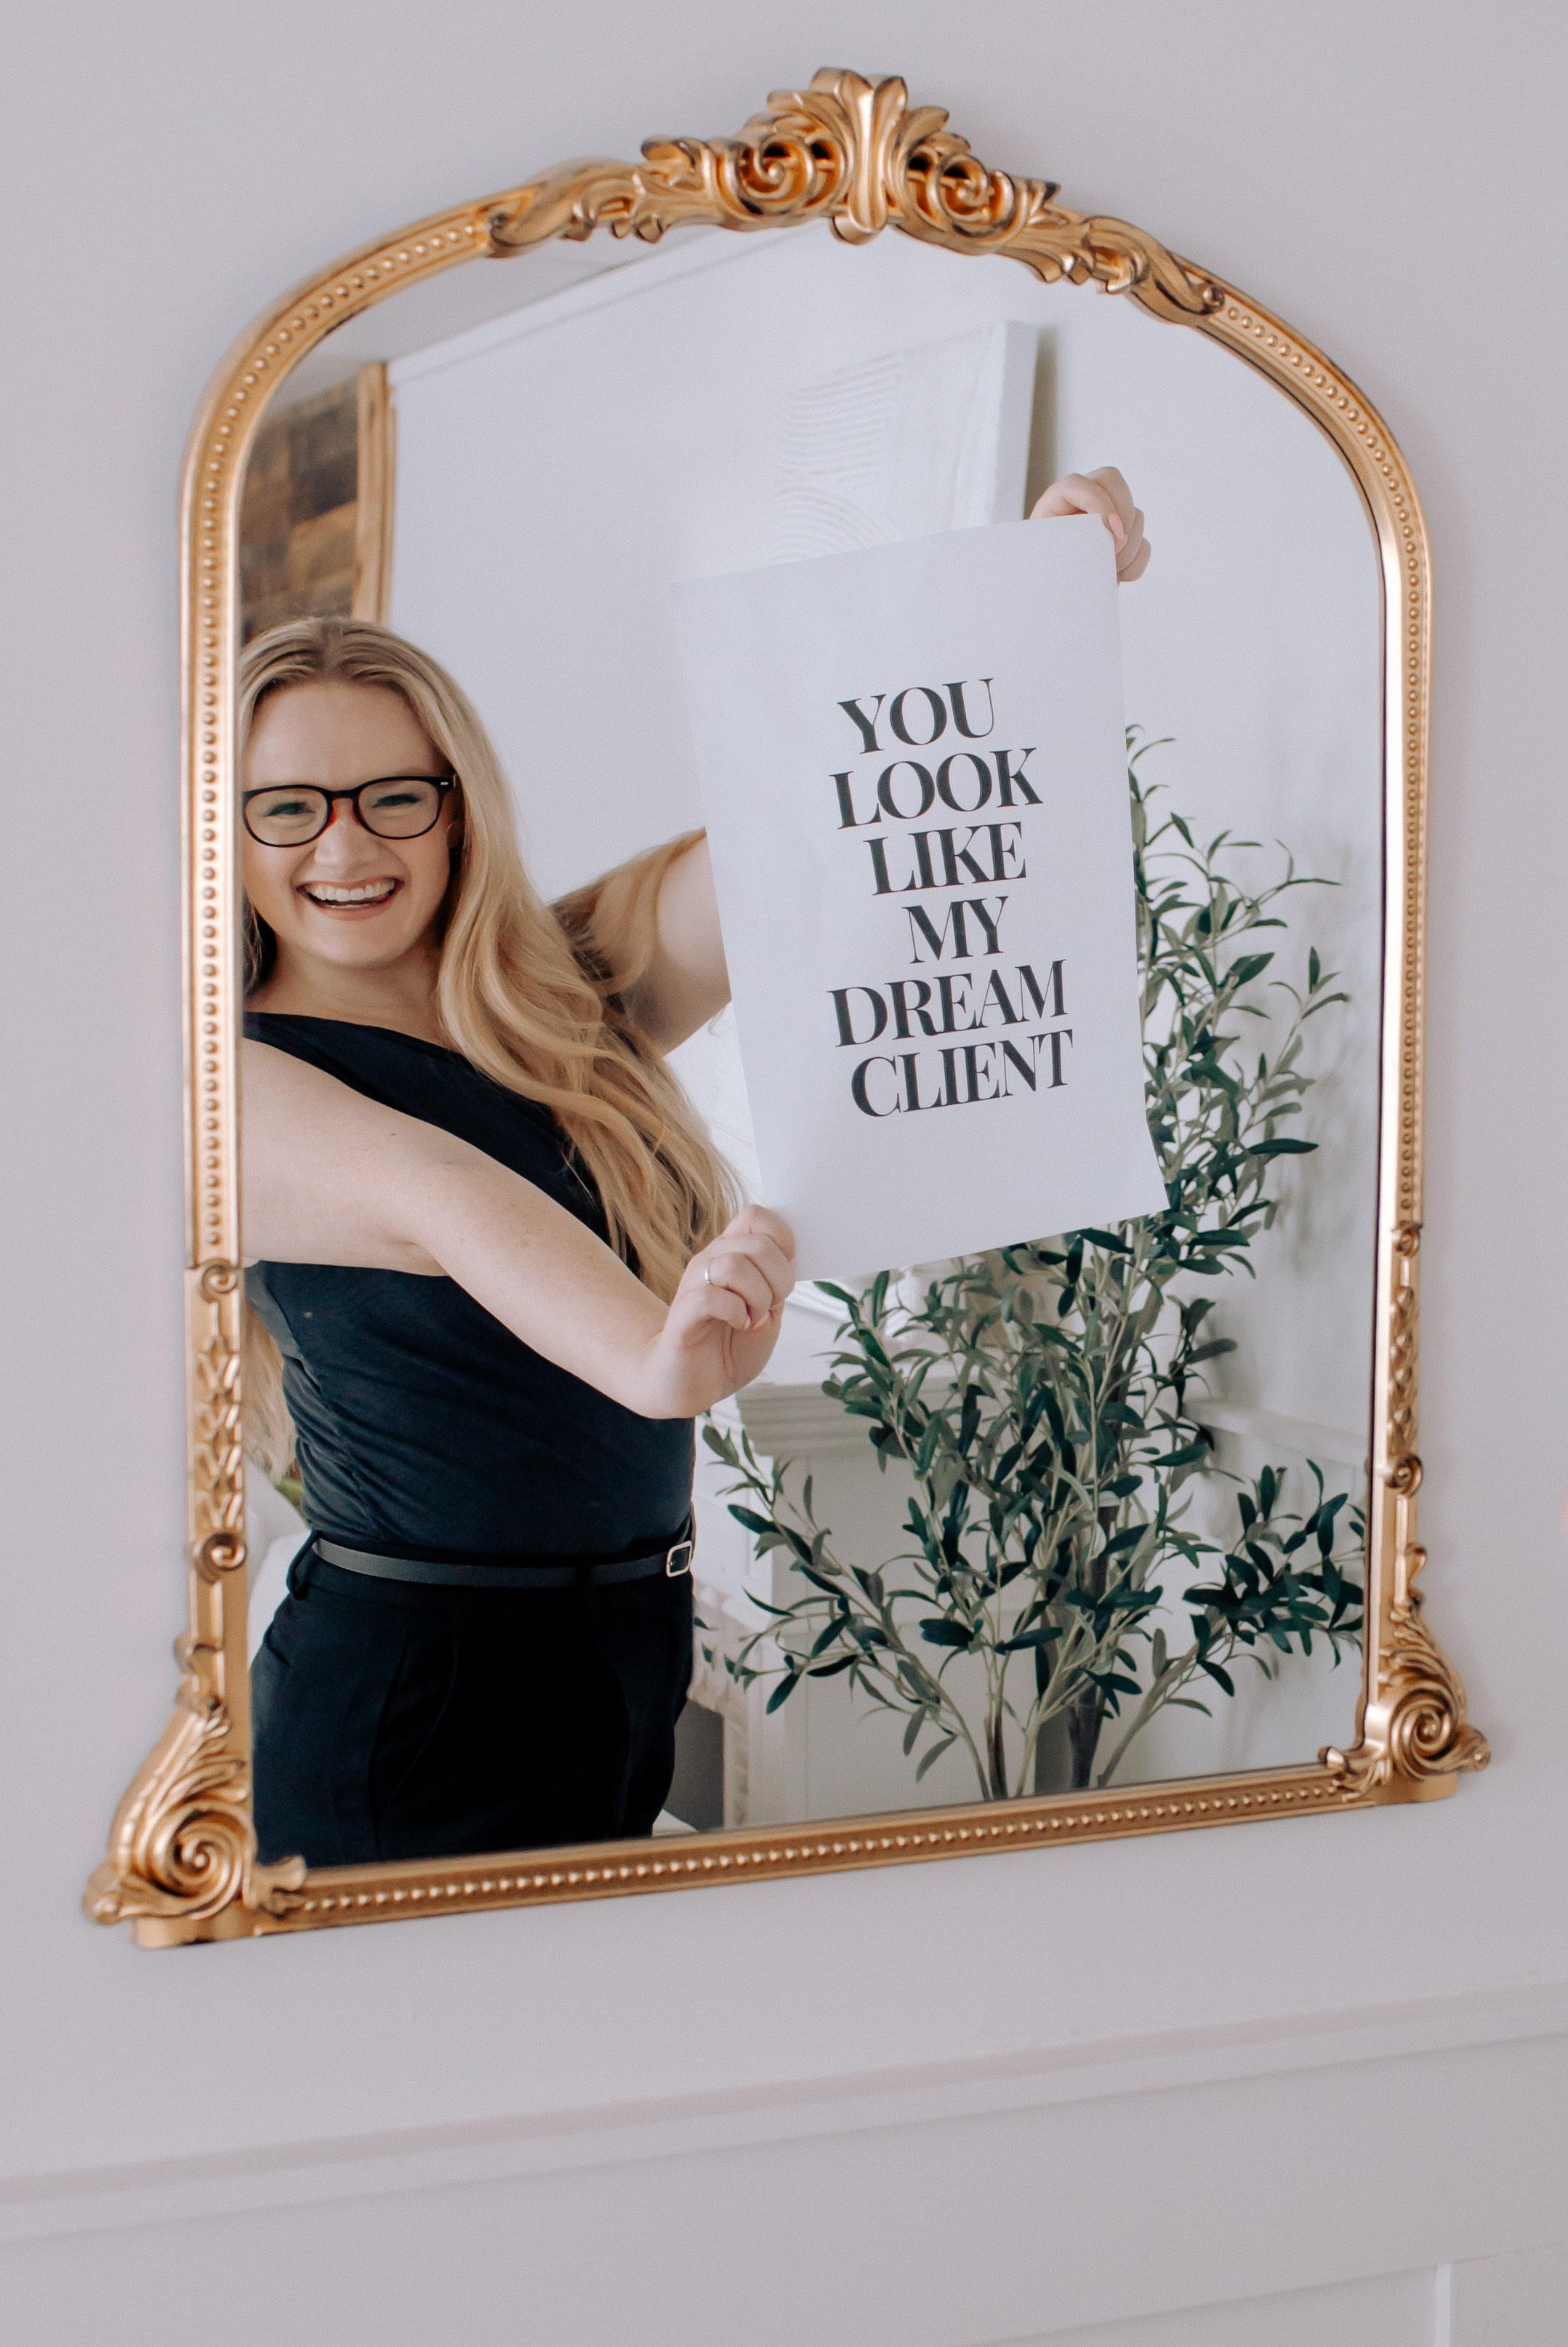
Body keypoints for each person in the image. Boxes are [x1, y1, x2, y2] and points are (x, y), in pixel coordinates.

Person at [239, 467, 1149, 1869]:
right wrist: (660, 1358)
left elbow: (827, 834)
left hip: (624, 1648)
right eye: (285, 807)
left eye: (392, 797)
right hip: (412, 1683)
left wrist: (1023, 594)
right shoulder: (237, 1072)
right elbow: (455, 1202)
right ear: (224, 835)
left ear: (458, 807)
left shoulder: (553, 997)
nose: (345, 844)